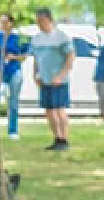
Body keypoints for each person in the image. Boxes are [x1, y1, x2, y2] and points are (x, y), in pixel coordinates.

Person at [30, 8, 73, 151]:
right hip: (44, 79)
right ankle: (56, 137)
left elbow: (70, 57)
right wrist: (35, 74)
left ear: (49, 20)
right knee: (49, 111)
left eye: (41, 21)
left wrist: (61, 75)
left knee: (59, 109)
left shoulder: (62, 37)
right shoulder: (37, 39)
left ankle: (64, 138)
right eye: (37, 21)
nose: (39, 24)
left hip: (59, 80)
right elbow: (36, 58)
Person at [0, 13, 28, 140]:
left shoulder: (18, 38)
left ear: (11, 23)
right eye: (1, 22)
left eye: (6, 22)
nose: (3, 24)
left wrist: (14, 57)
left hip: (14, 71)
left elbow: (24, 57)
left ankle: (13, 131)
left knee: (13, 101)